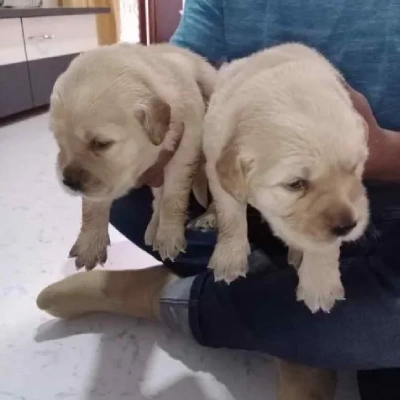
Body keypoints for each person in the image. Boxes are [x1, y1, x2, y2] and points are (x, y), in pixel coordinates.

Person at [37, 0, 400, 398]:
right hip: (246, 186)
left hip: (386, 200)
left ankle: (172, 298)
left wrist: (383, 153)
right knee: (122, 195)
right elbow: (180, 68)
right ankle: (298, 319)